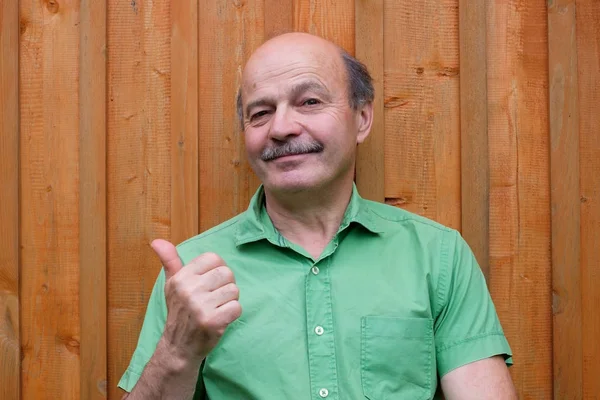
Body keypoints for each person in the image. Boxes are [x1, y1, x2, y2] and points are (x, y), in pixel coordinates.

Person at [119, 32, 516, 400]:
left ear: (362, 119)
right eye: (260, 113)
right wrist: (176, 350)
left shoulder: (437, 256)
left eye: (309, 102)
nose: (281, 127)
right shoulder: (191, 274)